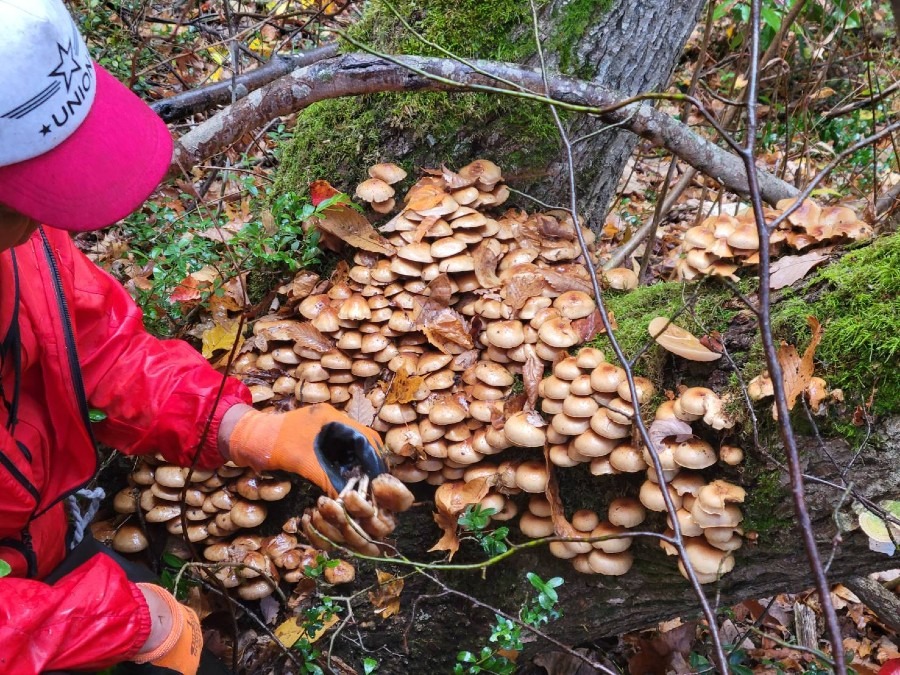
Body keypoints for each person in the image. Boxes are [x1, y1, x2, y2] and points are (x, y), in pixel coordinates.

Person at [0, 1, 386, 673]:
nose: (43, 219)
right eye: (26, 196)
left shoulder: (22, 245)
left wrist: (247, 429)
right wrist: (124, 623)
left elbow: (105, 352)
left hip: (46, 551)